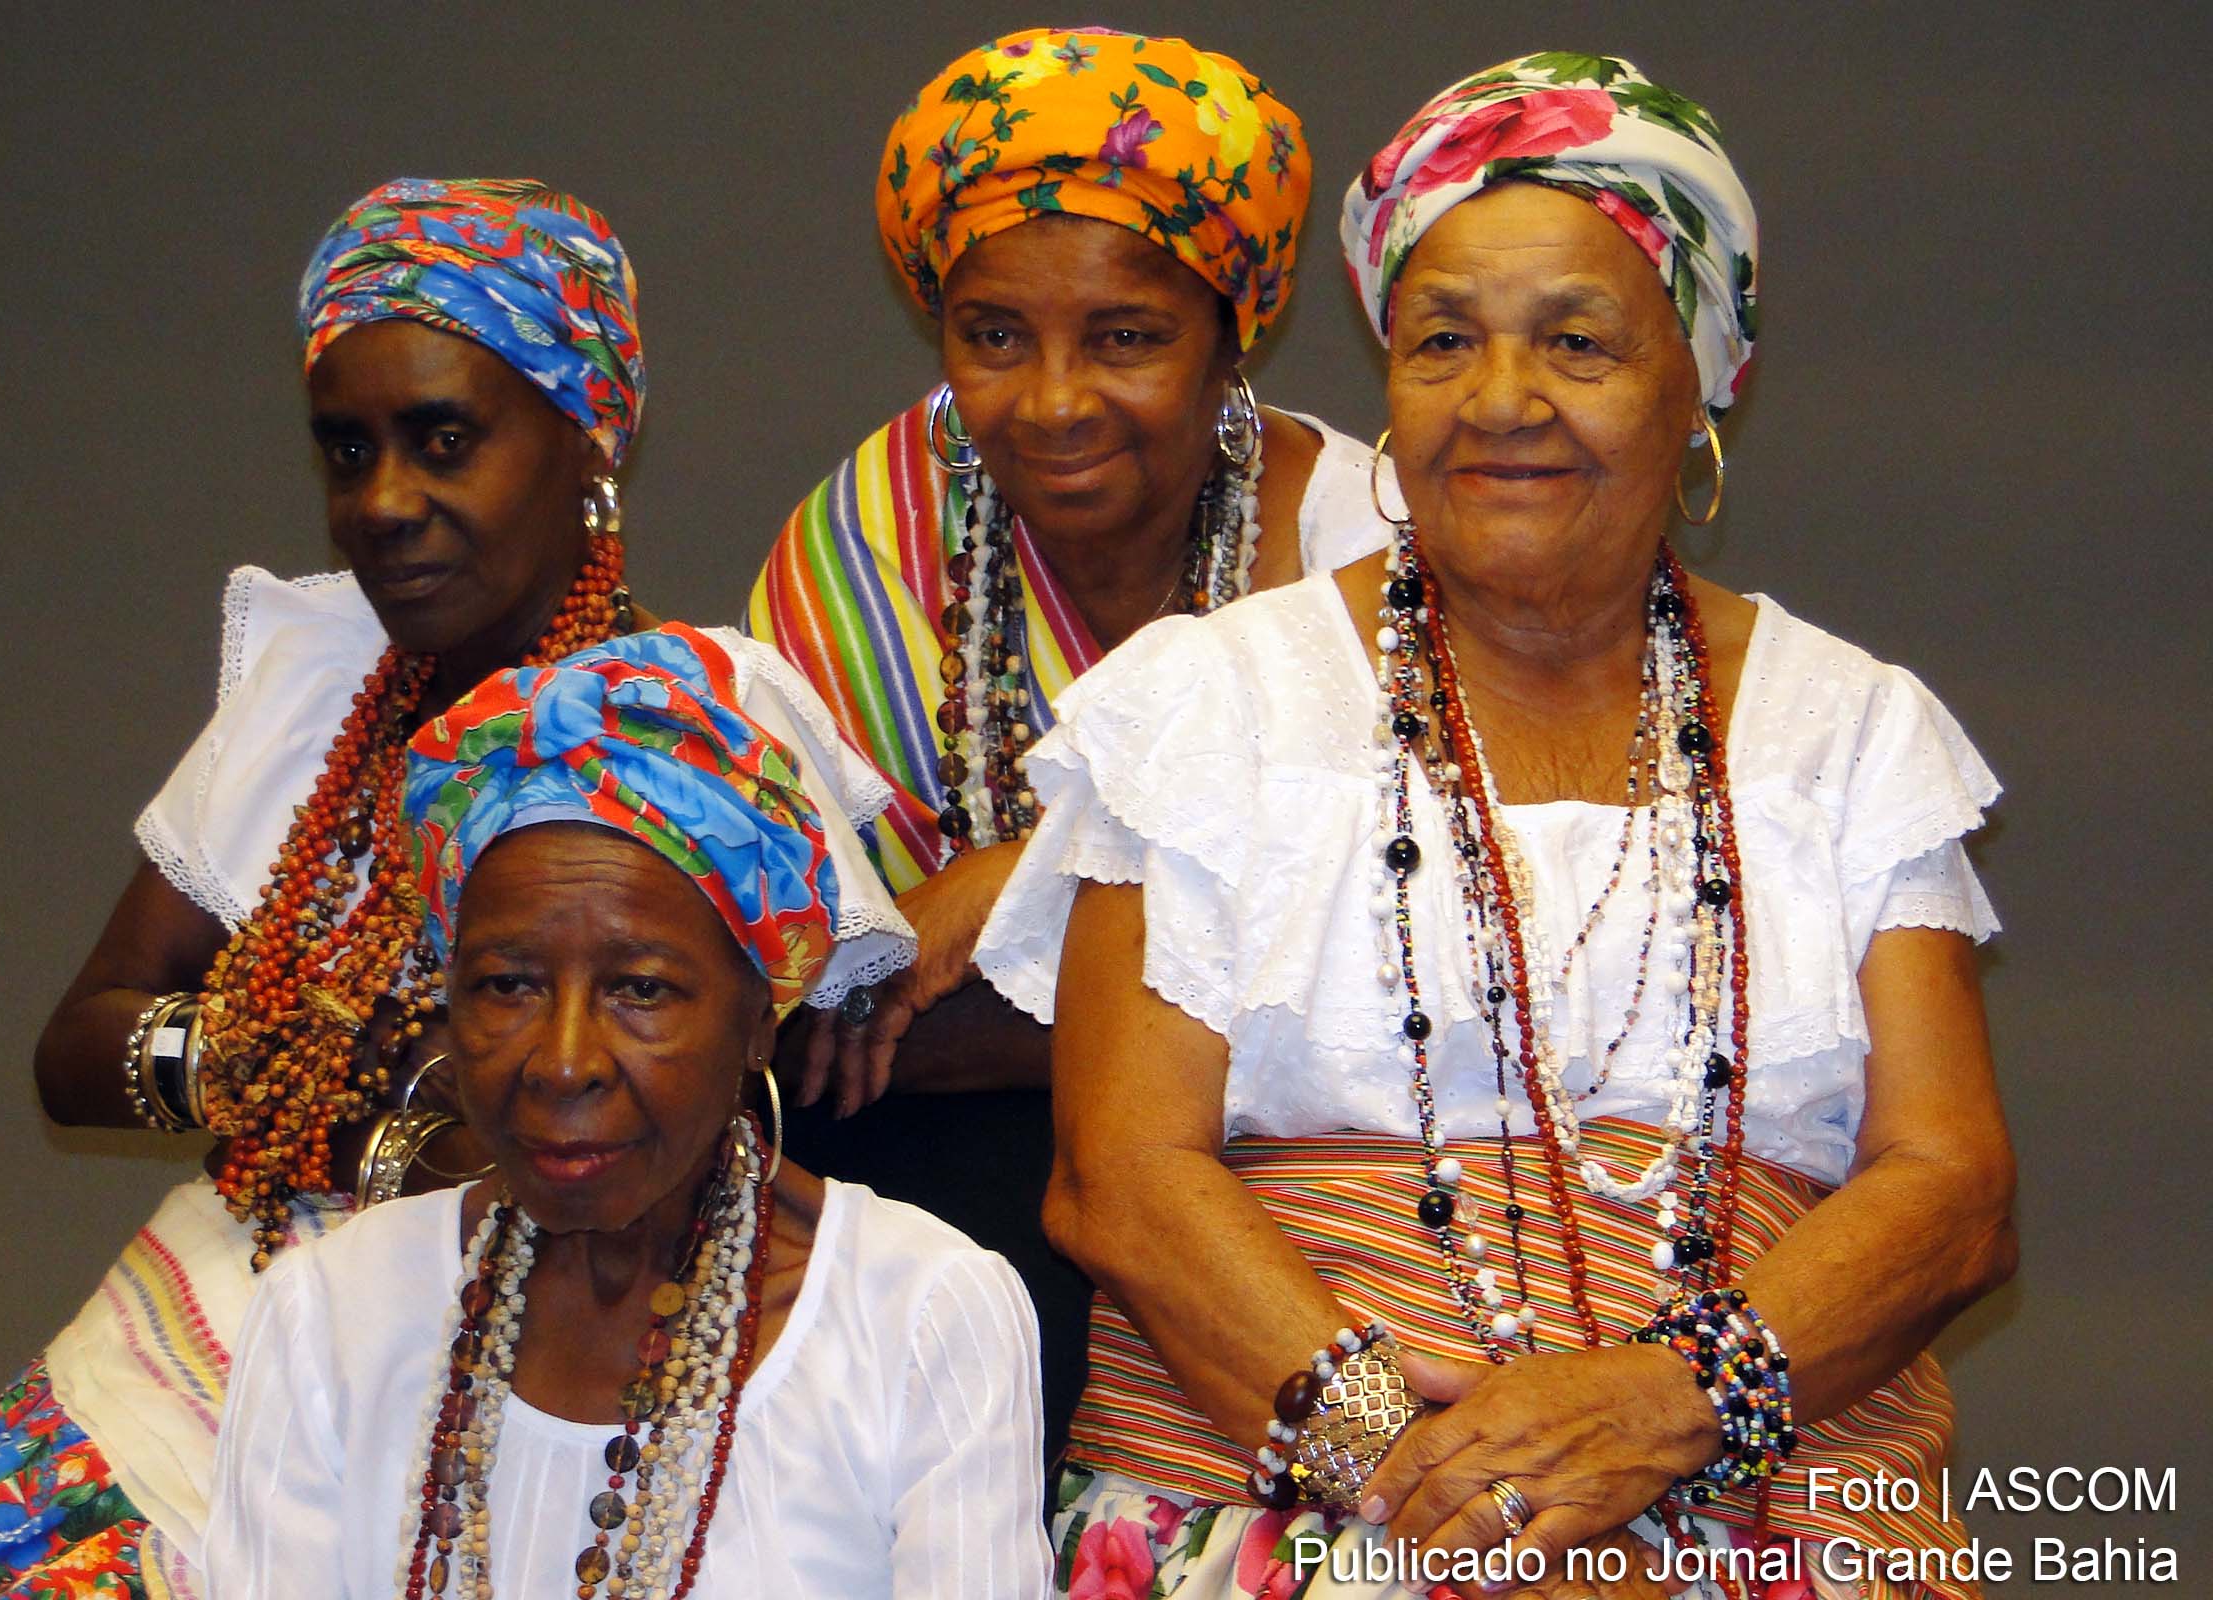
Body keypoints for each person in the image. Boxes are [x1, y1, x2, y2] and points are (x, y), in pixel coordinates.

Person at [977, 53, 2015, 1600]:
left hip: (1765, 1515)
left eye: (1578, 344)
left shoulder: (1849, 728)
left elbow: (1951, 1190)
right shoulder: (1209, 708)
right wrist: (1456, 1504)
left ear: (1703, 379)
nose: (1502, 400)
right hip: (1313, 1518)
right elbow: (1122, 1180)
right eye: (1443, 341)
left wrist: (1667, 1412)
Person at [0, 179, 910, 1598]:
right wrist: (352, 1086)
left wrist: (401, 1118)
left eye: (445, 441)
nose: (385, 504)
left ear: (590, 443)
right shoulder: (321, 685)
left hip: (486, 1388)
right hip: (165, 1354)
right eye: (349, 451)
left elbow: (779, 1097)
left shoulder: (709, 724)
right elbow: (79, 1047)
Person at [746, 25, 1392, 1462]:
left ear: (1235, 333)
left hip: (1302, 1184)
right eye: (992, 337)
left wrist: (1017, 881)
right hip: (925, 1181)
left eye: (1125, 336)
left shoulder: (1367, 540)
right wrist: (1152, 961)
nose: (1049, 403)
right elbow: (812, 1006)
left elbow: (1376, 986)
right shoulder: (874, 537)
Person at [202, 627, 1051, 1598]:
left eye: (640, 990)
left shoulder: (918, 1320)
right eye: (507, 984)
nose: (563, 1062)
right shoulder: (331, 1325)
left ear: (758, 1018)